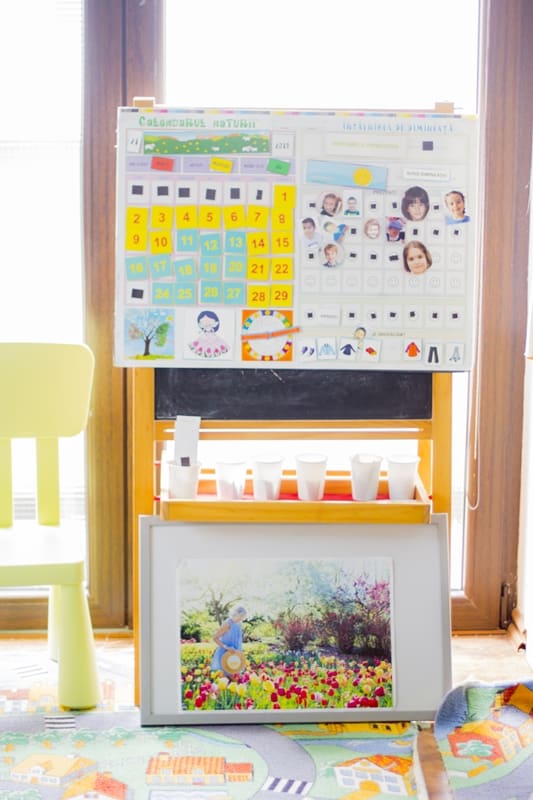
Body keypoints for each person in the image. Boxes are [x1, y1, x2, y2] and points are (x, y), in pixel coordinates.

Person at [211, 605, 247, 676]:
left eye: (242, 617)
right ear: (235, 614)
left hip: (236, 654)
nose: (241, 619)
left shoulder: (239, 624)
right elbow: (215, 638)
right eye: (240, 617)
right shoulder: (227, 624)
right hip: (225, 653)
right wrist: (226, 647)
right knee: (224, 677)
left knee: (235, 677)